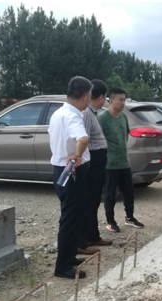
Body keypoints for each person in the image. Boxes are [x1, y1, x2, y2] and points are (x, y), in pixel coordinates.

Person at [49, 76, 98, 279]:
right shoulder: (73, 116)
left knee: (71, 216)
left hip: (61, 169)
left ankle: (69, 256)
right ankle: (63, 266)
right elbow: (83, 139)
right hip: (72, 171)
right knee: (70, 219)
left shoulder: (58, 113)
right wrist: (78, 154)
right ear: (85, 97)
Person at [98, 88, 144, 232]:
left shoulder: (123, 117)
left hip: (124, 162)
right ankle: (110, 221)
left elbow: (126, 136)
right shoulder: (103, 117)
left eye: (124, 100)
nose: (123, 102)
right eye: (120, 100)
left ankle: (129, 217)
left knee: (129, 192)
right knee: (110, 194)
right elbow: (99, 139)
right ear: (111, 101)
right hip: (110, 163)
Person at [78, 79, 113, 248]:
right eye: (105, 98)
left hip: (98, 158)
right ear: (101, 97)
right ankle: (83, 239)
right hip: (92, 159)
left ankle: (93, 235)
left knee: (95, 199)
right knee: (90, 200)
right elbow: (83, 138)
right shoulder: (87, 114)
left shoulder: (92, 113)